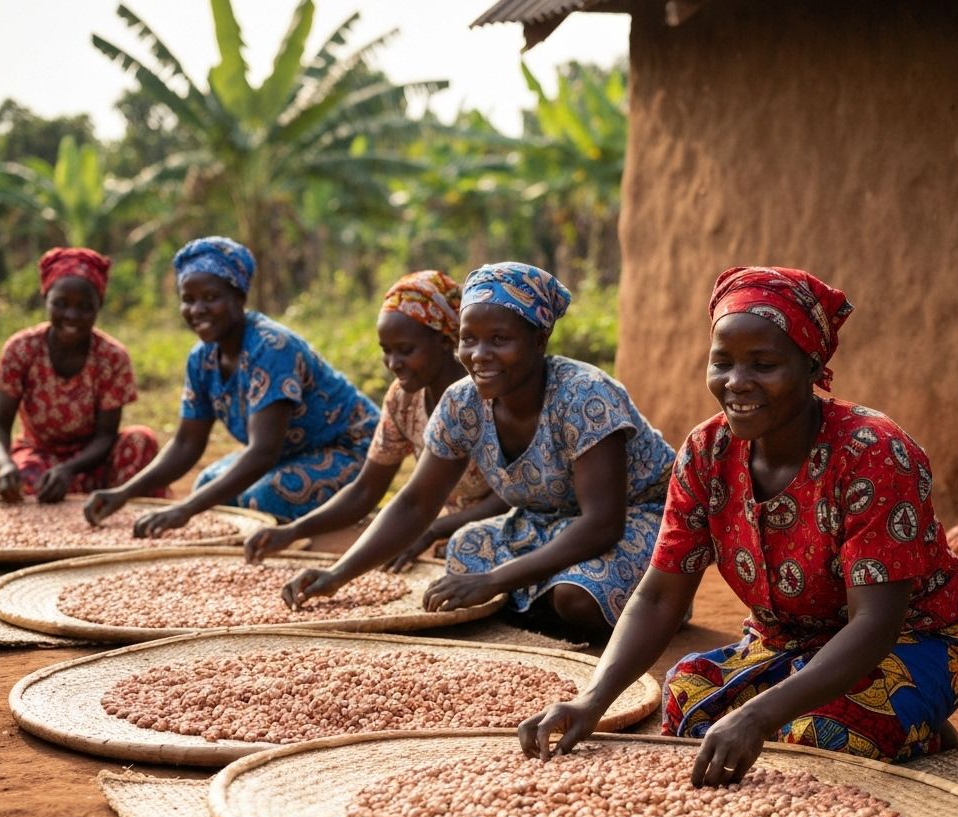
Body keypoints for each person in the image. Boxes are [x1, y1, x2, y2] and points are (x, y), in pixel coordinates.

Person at [519, 265, 958, 785]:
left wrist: (760, 714)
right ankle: (896, 722)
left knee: (818, 739)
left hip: (912, 640)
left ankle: (925, 723)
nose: (737, 383)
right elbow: (658, 597)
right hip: (788, 641)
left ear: (811, 367)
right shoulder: (706, 451)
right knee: (688, 698)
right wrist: (593, 699)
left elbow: (875, 624)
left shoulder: (873, 454)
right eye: (722, 362)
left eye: (763, 364)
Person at [280, 260, 676, 639]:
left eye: (499, 340)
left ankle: (660, 605)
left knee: (576, 599)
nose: (479, 355)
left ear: (539, 340)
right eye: (469, 339)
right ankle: (539, 600)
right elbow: (416, 503)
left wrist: (493, 581)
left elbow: (603, 524)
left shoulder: (585, 395)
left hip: (640, 519)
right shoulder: (463, 403)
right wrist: (338, 573)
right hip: (548, 522)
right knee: (464, 549)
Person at [83, 236, 379, 535]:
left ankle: (341, 519)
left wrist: (186, 509)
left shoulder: (272, 348)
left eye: (211, 297)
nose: (197, 309)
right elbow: (187, 443)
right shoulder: (202, 359)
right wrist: (124, 493)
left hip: (351, 449)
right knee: (207, 484)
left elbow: (263, 452)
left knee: (259, 499)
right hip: (291, 453)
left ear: (239, 297)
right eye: (188, 299)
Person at [243, 270, 506, 568]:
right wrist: (293, 531)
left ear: (446, 341)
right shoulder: (402, 399)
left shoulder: (489, 394)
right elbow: (367, 489)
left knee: (463, 559)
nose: (394, 364)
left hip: (499, 523)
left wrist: (432, 531)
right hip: (442, 523)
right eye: (386, 351)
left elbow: (511, 498)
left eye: (406, 350)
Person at [0, 247, 159, 503]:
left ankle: (115, 507)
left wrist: (70, 469)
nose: (72, 315)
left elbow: (105, 436)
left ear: (99, 306)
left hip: (95, 459)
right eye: (61, 304)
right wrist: (4, 465)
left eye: (84, 307)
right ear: (46, 299)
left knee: (141, 441)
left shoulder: (112, 357)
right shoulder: (22, 349)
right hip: (40, 456)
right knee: (25, 479)